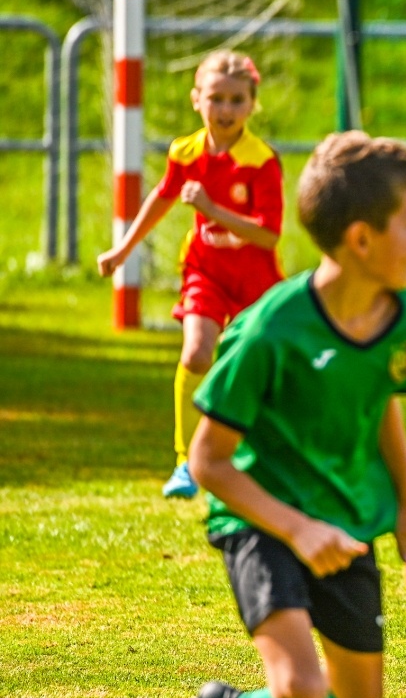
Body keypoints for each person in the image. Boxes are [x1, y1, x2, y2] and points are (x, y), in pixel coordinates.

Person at [186, 132, 406, 698]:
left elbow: (382, 403)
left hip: (347, 522)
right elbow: (209, 461)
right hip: (262, 522)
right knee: (302, 684)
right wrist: (295, 525)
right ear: (361, 238)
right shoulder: (268, 330)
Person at [96, 50, 284, 499]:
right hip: (205, 269)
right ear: (196, 99)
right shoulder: (185, 152)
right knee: (197, 354)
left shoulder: (261, 161)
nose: (226, 110)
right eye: (216, 98)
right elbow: (162, 198)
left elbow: (268, 237)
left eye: (237, 100)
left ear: (252, 105)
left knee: (256, 368)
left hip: (255, 279)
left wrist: (211, 209)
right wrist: (123, 249)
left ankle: (260, 461)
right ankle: (186, 462)